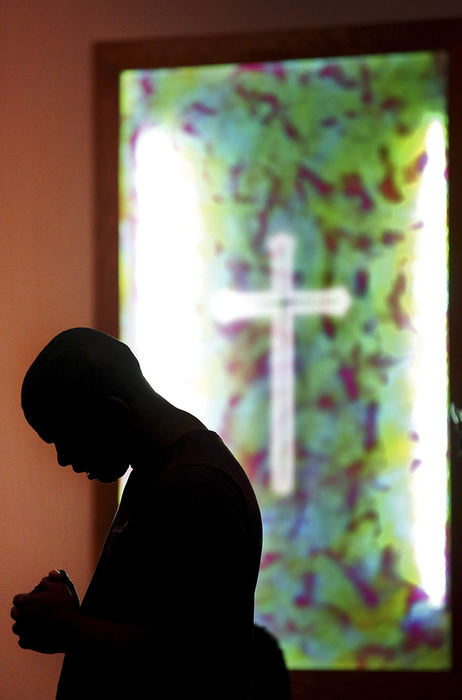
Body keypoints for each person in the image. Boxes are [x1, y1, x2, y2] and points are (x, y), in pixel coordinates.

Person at [11, 328, 263, 699]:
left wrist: (69, 627)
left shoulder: (196, 484)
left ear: (114, 413)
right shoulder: (160, 471)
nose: (63, 459)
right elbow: (156, 621)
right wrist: (74, 616)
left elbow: (196, 654)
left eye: (64, 438)